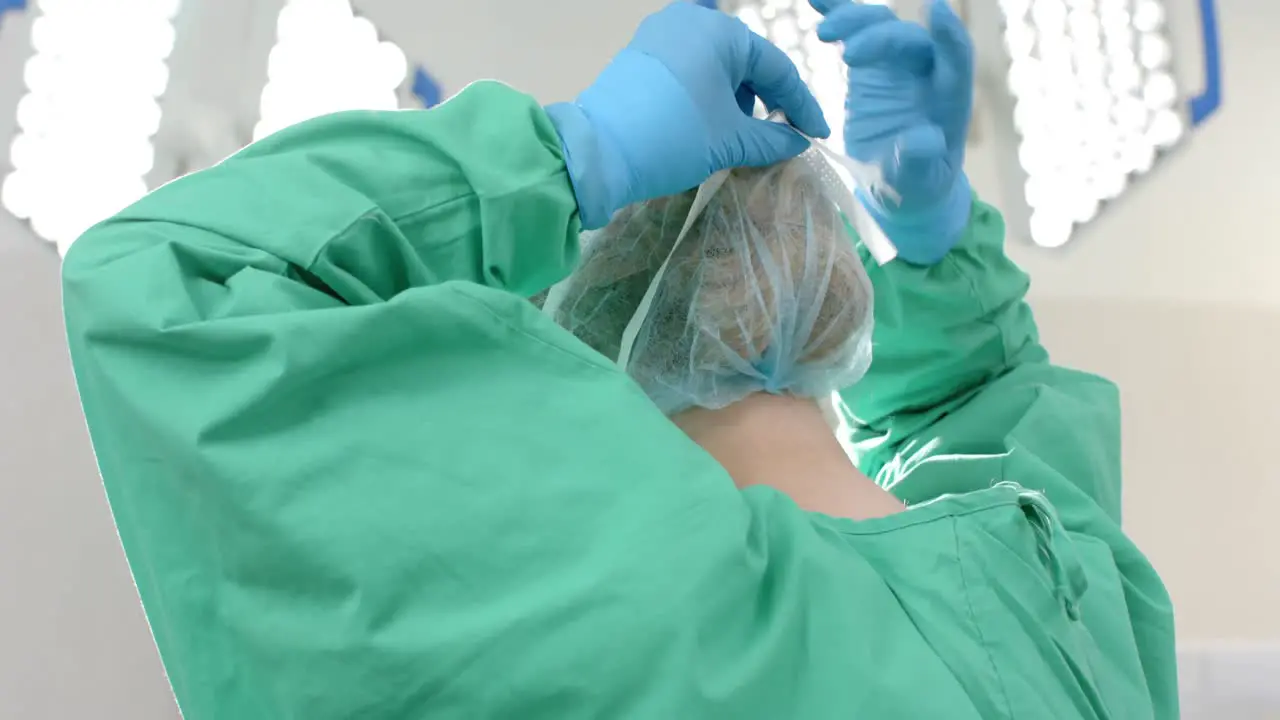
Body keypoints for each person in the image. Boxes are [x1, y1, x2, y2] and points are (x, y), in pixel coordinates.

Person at [61, 2, 1177, 719]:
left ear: (571, 313)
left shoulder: (582, 601)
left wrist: (569, 155)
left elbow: (168, 282)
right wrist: (930, 247)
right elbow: (983, 416)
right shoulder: (1066, 595)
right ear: (832, 277)